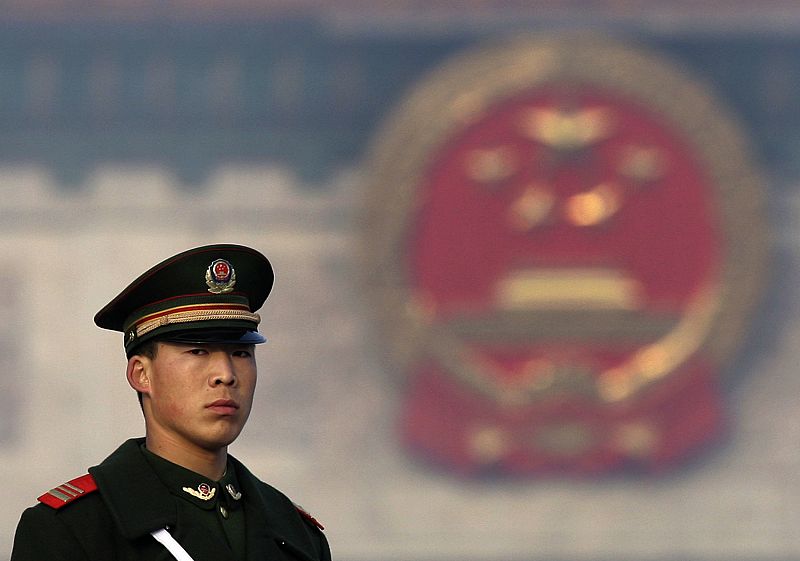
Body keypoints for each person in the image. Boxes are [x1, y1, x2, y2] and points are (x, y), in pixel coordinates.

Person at [10, 243, 331, 561]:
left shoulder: (296, 534)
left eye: (241, 353)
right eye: (198, 351)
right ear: (141, 374)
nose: (226, 374)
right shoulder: (72, 530)